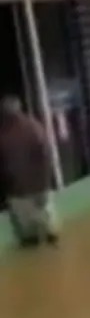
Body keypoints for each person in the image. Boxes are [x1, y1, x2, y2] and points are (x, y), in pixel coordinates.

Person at [0, 95, 57, 248]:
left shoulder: (19, 130)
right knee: (46, 231)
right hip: (25, 188)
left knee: (35, 234)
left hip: (23, 188)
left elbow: (45, 157)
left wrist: (44, 184)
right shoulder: (33, 127)